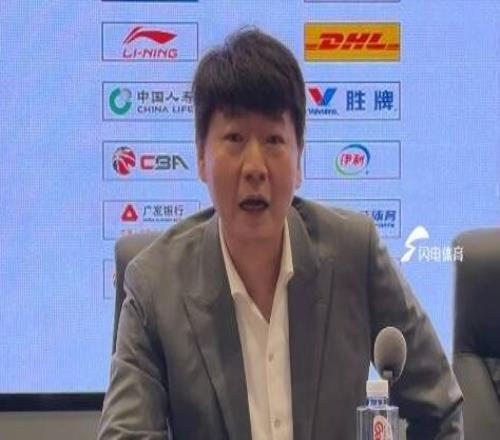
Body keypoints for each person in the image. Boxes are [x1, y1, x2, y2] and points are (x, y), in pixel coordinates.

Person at [98, 28, 463, 439]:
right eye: (234, 139)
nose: (255, 166)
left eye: (274, 140)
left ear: (299, 159)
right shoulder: (155, 285)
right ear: (200, 156)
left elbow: (440, 408)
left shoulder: (354, 253)